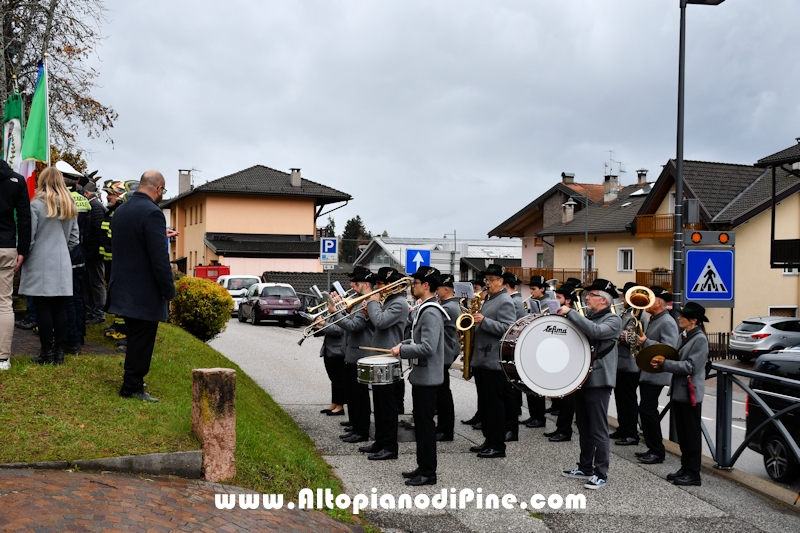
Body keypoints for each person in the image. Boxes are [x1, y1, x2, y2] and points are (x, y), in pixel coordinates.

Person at [106, 171, 175, 402]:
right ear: (158, 188)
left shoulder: (122, 210)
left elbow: (131, 242)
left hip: (122, 285)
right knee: (142, 341)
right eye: (163, 192)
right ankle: (132, 386)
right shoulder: (153, 213)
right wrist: (168, 290)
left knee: (134, 337)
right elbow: (159, 259)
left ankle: (132, 381)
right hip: (144, 290)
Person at [557, 279, 622, 489]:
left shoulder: (613, 320)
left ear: (603, 299)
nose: (587, 298)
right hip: (582, 378)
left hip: (599, 381)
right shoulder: (591, 317)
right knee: (584, 426)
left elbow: (596, 332)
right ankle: (585, 466)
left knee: (598, 429)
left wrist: (570, 313)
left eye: (591, 295)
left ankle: (601, 473)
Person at [18, 167, 79, 365]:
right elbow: (74, 238)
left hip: (39, 261)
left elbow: (30, 236)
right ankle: (59, 353)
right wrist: (61, 251)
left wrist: (24, 255)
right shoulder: (70, 205)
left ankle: (46, 352)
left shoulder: (36, 205)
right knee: (60, 308)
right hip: (62, 261)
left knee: (43, 308)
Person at [392, 266, 446, 486]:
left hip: (428, 378)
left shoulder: (431, 311)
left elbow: (428, 347)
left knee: (425, 427)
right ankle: (422, 466)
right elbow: (418, 340)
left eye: (415, 283)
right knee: (422, 425)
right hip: (422, 376)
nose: (412, 287)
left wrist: (402, 351)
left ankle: (428, 472)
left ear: (426, 285)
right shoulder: (425, 308)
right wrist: (402, 344)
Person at [651, 301, 709, 486]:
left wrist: (665, 364)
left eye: (683, 316)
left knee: (691, 435)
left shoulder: (699, 339)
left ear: (693, 320)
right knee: (683, 434)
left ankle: (693, 473)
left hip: (690, 394)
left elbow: (691, 366)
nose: (679, 318)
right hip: (680, 392)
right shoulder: (685, 336)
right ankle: (685, 468)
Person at [359, 267, 407, 461]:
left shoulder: (399, 303)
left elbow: (380, 322)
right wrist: (369, 313)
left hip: (389, 359)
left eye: (379, 284)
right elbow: (377, 327)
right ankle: (380, 441)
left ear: (390, 285)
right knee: (378, 405)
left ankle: (390, 447)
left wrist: (372, 304)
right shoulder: (388, 301)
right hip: (380, 358)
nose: (376, 287)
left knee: (387, 407)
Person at [469, 263, 517, 458]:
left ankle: (497, 445)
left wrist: (483, 321)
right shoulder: (489, 298)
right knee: (486, 405)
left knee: (494, 406)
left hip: (493, 361)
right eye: (486, 280)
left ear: (501, 281)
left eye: (491, 280)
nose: (487, 283)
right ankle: (489, 440)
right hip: (482, 358)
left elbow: (508, 328)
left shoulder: (505, 301)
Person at [635, 286, 679, 465]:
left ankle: (657, 451)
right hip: (648, 372)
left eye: (650, 299)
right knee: (646, 411)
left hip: (656, 373)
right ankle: (653, 448)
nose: (646, 302)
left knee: (647, 411)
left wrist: (646, 342)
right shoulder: (653, 319)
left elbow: (669, 348)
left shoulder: (667, 321)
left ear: (659, 302)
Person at [334, 267, 375, 443]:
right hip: (352, 353)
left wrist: (334, 314)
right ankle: (355, 425)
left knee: (360, 396)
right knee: (352, 393)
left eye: (355, 282)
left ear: (366, 284)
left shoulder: (367, 301)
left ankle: (361, 430)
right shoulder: (359, 300)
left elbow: (354, 326)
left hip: (361, 354)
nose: (352, 285)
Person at [0, 159, 31, 370]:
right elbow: (24, 218)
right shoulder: (17, 180)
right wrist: (23, 250)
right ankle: (3, 357)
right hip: (7, 245)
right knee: (4, 302)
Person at [613, 282, 649, 446]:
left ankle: (631, 433)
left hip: (630, 365)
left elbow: (635, 338)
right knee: (620, 399)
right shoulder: (626, 313)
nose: (622, 298)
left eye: (625, 296)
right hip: (620, 363)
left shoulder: (640, 315)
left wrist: (620, 335)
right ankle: (623, 428)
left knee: (628, 400)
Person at [544, 283, 578, 442]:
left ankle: (565, 431)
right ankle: (560, 428)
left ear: (568, 301)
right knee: (563, 398)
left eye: (559, 298)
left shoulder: (574, 315)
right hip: (560, 359)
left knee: (568, 400)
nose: (556, 301)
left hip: (570, 361)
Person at [520, 275, 554, 430]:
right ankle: (534, 415)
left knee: (536, 385)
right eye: (530, 289)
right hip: (534, 344)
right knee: (529, 383)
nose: (531, 292)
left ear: (542, 289)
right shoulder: (535, 302)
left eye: (533, 289)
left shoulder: (548, 303)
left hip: (543, 347)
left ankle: (539, 417)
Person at [312, 286, 346, 417]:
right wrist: (317, 326)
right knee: (333, 379)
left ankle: (340, 406)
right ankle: (334, 403)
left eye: (334, 295)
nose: (332, 298)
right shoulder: (332, 311)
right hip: (328, 350)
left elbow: (338, 330)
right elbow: (327, 328)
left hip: (338, 351)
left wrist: (323, 324)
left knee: (339, 380)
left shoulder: (342, 310)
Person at [434, 274, 460, 441]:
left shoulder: (449, 307)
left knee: (443, 394)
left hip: (445, 352)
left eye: (437, 289)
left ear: (446, 289)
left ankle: (446, 430)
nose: (436, 292)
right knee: (441, 392)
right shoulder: (446, 305)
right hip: (444, 351)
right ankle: (443, 427)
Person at [82, 180, 107, 325]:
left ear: (86, 193)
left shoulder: (95, 207)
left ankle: (98, 313)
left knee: (96, 283)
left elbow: (97, 232)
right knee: (91, 283)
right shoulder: (96, 206)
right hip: (92, 253)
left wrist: (94, 253)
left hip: (94, 254)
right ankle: (93, 311)